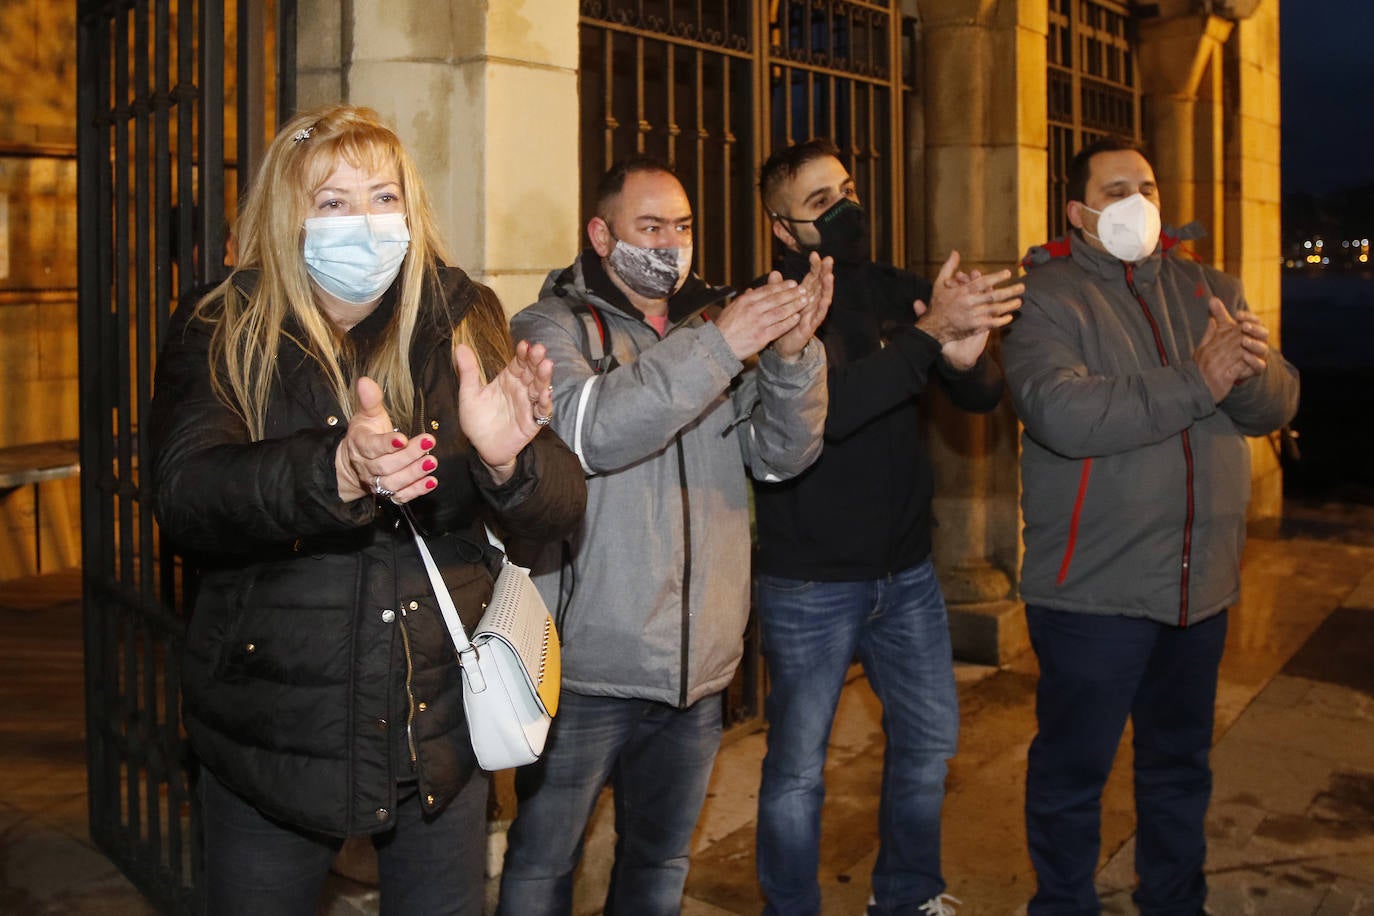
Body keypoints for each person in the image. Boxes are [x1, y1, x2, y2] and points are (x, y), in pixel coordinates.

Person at [148, 104, 586, 916]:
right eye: (333, 202)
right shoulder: (224, 324)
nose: (366, 223)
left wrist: (506, 458)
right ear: (288, 215)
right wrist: (335, 470)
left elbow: (560, 508)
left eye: (384, 198)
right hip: (275, 731)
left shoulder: (460, 312)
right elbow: (186, 492)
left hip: (435, 733)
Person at [495, 156, 833, 916]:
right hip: (587, 667)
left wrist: (790, 358)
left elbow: (781, 458)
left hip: (698, 667)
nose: (671, 243)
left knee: (657, 866)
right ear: (601, 234)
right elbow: (593, 432)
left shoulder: (704, 329)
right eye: (650, 226)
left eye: (681, 227)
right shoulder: (552, 326)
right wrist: (721, 346)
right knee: (542, 864)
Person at [1001, 136, 1299, 915]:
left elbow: (1274, 406)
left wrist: (1252, 367)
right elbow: (1064, 413)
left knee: (1180, 768)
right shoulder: (1049, 298)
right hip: (1094, 593)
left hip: (1198, 588)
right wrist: (1198, 377)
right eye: (1115, 189)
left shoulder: (1208, 285)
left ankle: (1174, 900)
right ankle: (1064, 904)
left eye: (1148, 186)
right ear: (1078, 212)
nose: (1137, 201)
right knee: (1074, 774)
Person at [749, 138, 1024, 916]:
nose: (844, 210)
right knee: (799, 766)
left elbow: (976, 401)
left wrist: (969, 354)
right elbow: (832, 413)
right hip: (809, 578)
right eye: (818, 203)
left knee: (930, 743)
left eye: (845, 190)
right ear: (782, 228)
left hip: (906, 572)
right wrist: (930, 335)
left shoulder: (901, 292)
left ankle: (908, 894)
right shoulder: (775, 305)